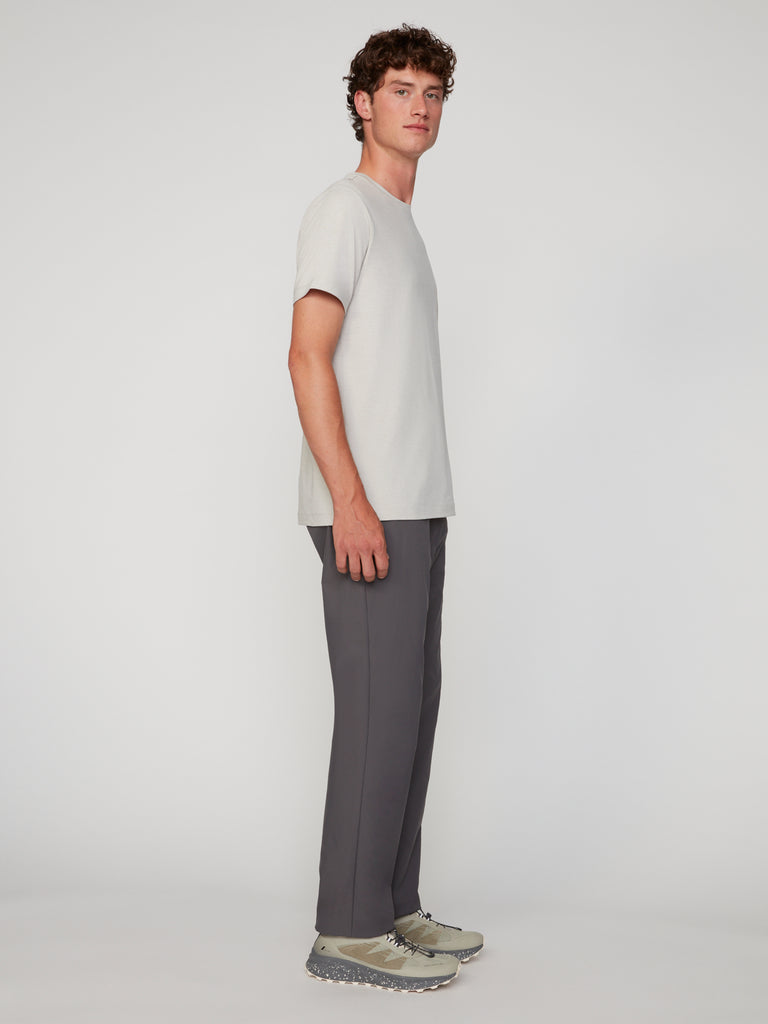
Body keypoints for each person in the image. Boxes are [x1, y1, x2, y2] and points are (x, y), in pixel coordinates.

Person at [288, 24, 483, 993]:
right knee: (377, 715)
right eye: (401, 89)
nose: (420, 106)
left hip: (416, 503)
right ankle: (348, 928)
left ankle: (393, 901)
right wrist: (350, 501)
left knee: (411, 713)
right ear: (363, 103)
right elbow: (305, 356)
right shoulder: (346, 208)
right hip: (370, 508)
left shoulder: (402, 221)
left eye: (433, 92)